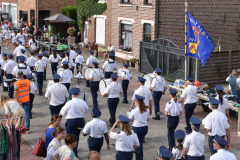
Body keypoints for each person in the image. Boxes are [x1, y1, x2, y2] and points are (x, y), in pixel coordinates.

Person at [59, 88, 89, 158]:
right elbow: (86, 110)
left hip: (71, 122)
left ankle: (73, 154)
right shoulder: (82, 102)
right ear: (78, 94)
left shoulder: (69, 103)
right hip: (81, 121)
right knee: (77, 137)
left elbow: (61, 113)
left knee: (70, 138)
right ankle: (75, 150)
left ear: (71, 94)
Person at [128, 95, 150, 160]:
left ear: (137, 102)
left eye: (135, 100)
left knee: (137, 144)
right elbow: (147, 119)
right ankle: (141, 156)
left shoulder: (134, 110)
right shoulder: (147, 110)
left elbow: (130, 120)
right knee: (140, 142)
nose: (134, 101)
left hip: (137, 128)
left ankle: (139, 158)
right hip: (145, 128)